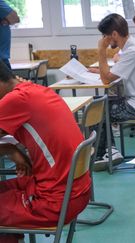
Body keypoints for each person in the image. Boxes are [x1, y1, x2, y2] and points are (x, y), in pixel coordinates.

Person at [0, 60, 91, 243]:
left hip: (53, 201)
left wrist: (10, 149)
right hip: (74, 191)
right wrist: (11, 149)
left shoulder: (15, 100)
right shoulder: (34, 89)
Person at [93, 13, 135, 170]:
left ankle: (106, 152)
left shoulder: (132, 51)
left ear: (114, 34)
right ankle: (109, 150)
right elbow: (113, 74)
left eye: (105, 36)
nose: (104, 40)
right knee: (100, 102)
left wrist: (101, 50)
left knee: (97, 108)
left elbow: (106, 80)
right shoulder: (134, 45)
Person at [0, 0, 19, 69]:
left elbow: (16, 19)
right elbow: (15, 18)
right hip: (1, 59)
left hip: (2, 57)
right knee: (10, 80)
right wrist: (7, 20)